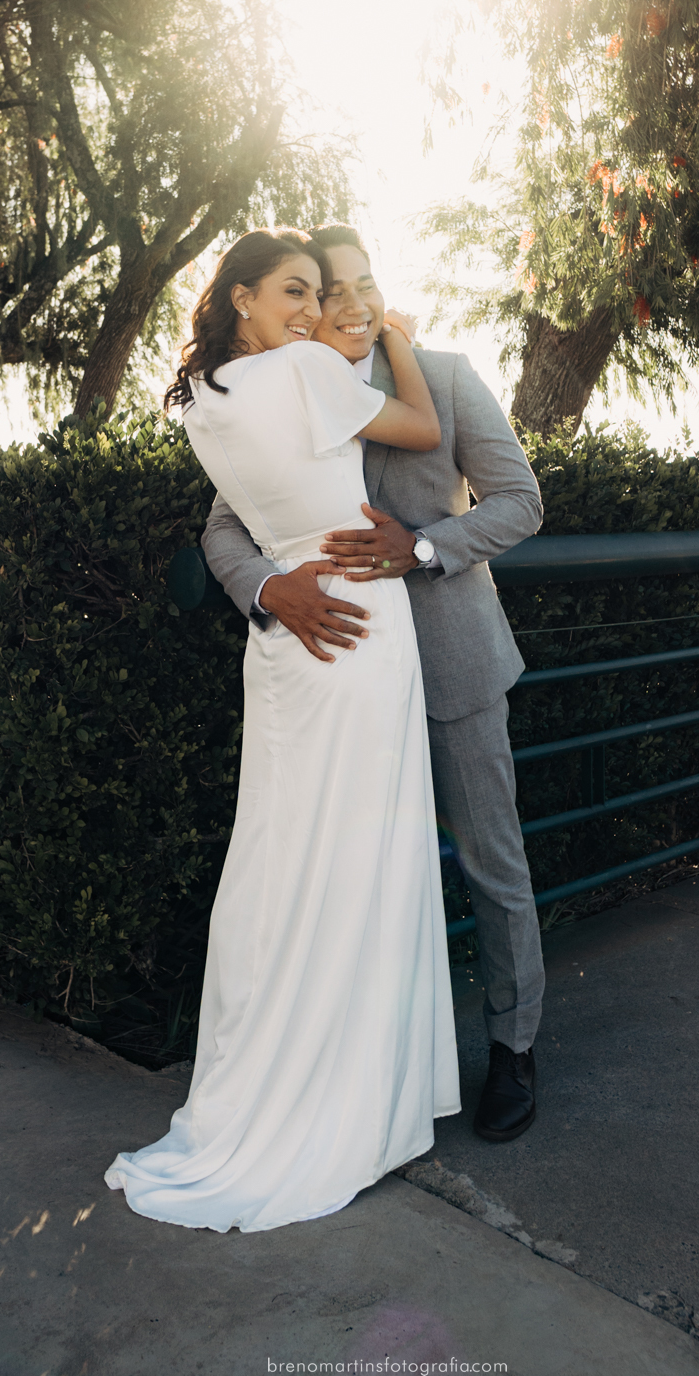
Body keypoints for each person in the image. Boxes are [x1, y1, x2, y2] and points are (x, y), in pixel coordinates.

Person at [105, 230, 460, 1233]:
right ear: (242, 297)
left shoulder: (207, 403)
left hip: (287, 652)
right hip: (356, 620)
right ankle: (353, 1101)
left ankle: (278, 1082)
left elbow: (244, 515)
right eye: (294, 292)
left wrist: (271, 580)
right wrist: (389, 329)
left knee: (287, 862)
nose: (311, 311)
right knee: (362, 858)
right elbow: (423, 428)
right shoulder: (309, 369)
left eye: (322, 293)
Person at [203, 225, 546, 1144]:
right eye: (329, 289)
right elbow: (225, 528)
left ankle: (513, 1050)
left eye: (363, 283)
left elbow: (521, 500)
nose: (348, 304)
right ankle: (374, 1074)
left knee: (492, 865)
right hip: (343, 679)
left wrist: (427, 546)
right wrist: (272, 589)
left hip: (455, 666)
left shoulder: (443, 373)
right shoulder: (288, 380)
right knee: (361, 883)